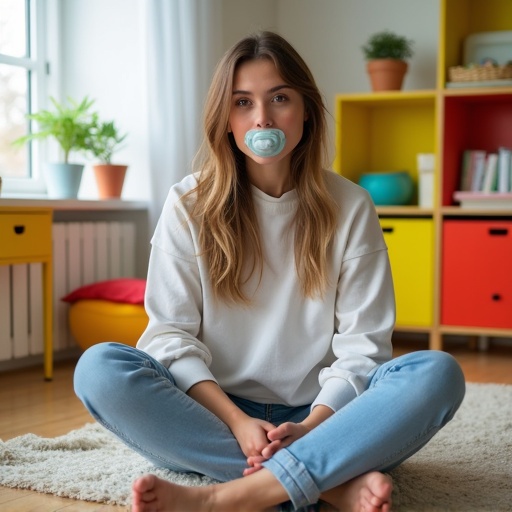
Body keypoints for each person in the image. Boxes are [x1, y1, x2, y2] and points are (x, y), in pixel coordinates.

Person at [74, 31, 465, 512]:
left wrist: (310, 428)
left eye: (279, 98)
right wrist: (238, 422)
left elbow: (364, 348)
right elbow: (169, 336)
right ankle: (326, 482)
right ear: (227, 119)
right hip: (213, 411)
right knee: (100, 369)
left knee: (437, 373)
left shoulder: (352, 206)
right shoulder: (187, 204)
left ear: (305, 110)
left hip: (325, 414)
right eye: (243, 102)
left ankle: (224, 496)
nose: (262, 118)